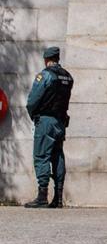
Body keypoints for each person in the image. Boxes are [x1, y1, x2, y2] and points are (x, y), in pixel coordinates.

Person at [24, 46, 74, 209]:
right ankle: (58, 197)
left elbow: (33, 100)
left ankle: (42, 196)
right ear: (57, 58)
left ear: (46, 59)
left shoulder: (45, 75)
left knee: (41, 156)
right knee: (57, 155)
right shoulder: (68, 77)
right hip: (60, 122)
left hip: (46, 121)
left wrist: (33, 114)